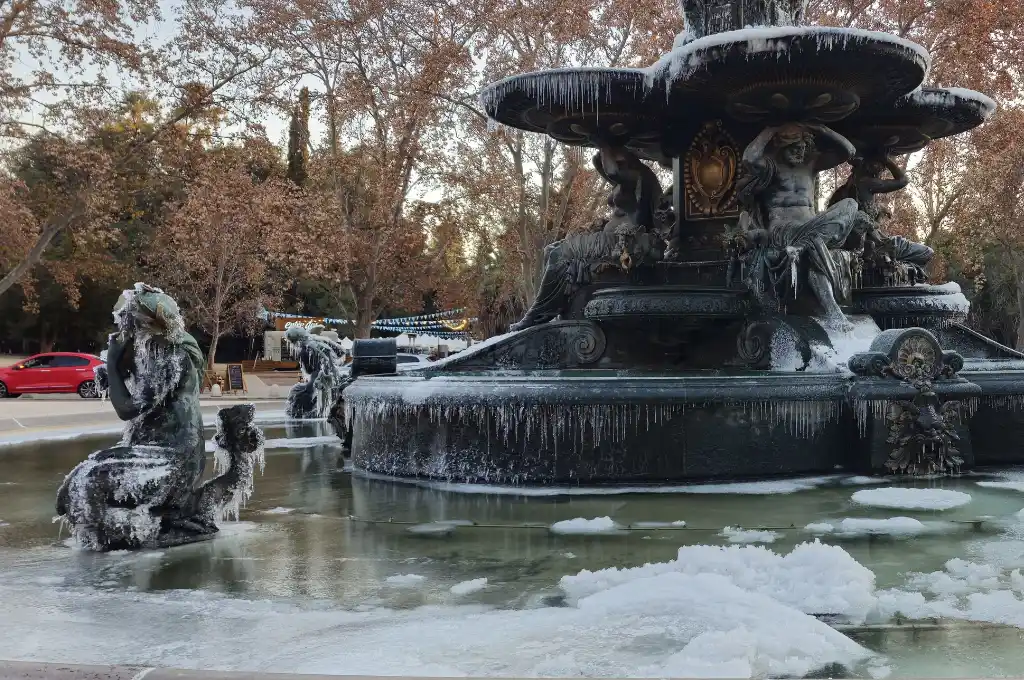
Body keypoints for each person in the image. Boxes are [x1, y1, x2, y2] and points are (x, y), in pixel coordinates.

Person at [738, 123, 866, 328]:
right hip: (783, 231)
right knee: (815, 243)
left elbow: (849, 151)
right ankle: (833, 312)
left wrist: (822, 129)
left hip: (812, 227)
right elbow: (749, 158)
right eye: (795, 148)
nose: (800, 153)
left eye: (803, 148)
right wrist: (771, 129)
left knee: (851, 204)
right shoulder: (771, 166)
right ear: (782, 146)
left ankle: (802, 246)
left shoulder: (810, 165)